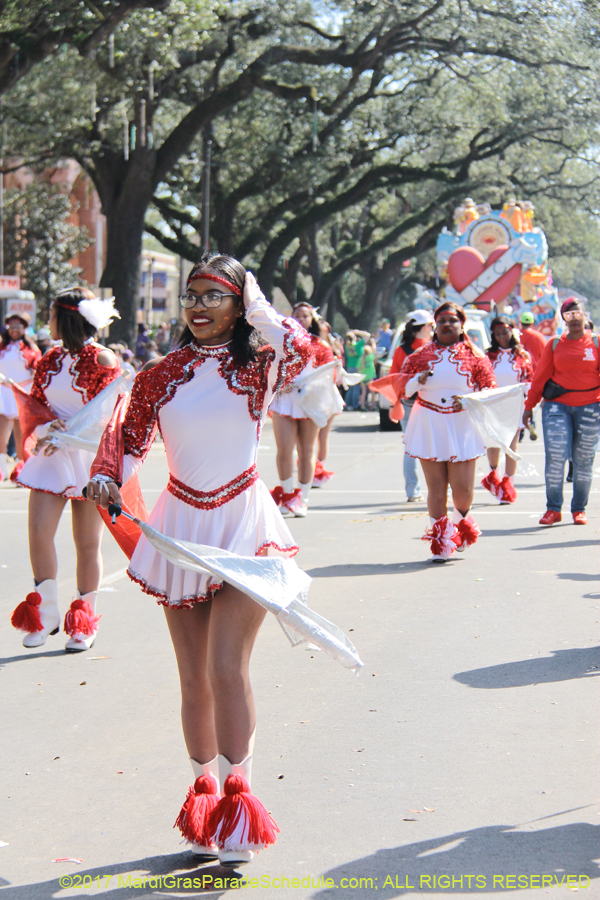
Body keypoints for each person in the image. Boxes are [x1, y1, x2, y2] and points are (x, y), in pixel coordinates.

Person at [86, 254, 312, 866]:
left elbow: (301, 348)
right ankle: (205, 796)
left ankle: (241, 799)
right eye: (192, 295)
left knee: (225, 670)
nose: (199, 306)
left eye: (215, 295)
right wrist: (108, 477)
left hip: (243, 527)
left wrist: (259, 304)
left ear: (240, 305)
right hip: (180, 529)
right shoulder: (163, 373)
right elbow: (126, 442)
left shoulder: (259, 364)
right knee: (192, 680)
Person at [9, 288, 120, 651]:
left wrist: (72, 433)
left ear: (66, 318)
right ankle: (48, 614)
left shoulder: (103, 360)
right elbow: (35, 406)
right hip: (50, 456)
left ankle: (84, 621)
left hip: (88, 460)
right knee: (39, 534)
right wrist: (45, 428)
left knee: (87, 543)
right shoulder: (48, 359)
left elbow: (110, 416)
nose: (48, 322)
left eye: (52, 315)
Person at [382, 301, 497, 562]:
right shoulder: (419, 356)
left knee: (463, 490)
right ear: (436, 325)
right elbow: (402, 391)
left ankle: (461, 525)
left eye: (453, 320)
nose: (447, 324)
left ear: (461, 325)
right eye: (442, 320)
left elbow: (490, 391)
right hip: (428, 423)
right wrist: (415, 381)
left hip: (462, 424)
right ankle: (441, 540)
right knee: (436, 488)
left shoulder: (476, 356)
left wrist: (469, 400)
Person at [523, 297, 600, 525]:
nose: (574, 319)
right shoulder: (555, 344)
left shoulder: (596, 343)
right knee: (555, 456)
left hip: (590, 406)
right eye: (569, 315)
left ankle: (579, 509)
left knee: (584, 460)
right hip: (557, 407)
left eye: (577, 313)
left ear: (585, 315)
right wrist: (529, 407)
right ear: (563, 319)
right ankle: (553, 508)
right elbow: (540, 378)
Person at [270, 301, 335, 517]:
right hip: (285, 400)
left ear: (312, 320)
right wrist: (280, 381)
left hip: (310, 402)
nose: (300, 318)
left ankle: (303, 498)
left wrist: (310, 386)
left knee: (307, 450)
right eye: (296, 315)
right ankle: (287, 495)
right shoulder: (279, 343)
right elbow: (268, 367)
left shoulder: (321, 345)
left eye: (305, 315)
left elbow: (330, 373)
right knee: (284, 449)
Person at [481, 316, 533, 503]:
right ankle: (493, 476)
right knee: (494, 443)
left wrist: (528, 399)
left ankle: (508, 483)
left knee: (512, 446)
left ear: (512, 331)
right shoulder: (487, 356)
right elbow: (482, 380)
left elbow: (529, 379)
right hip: (493, 405)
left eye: (505, 332)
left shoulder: (522, 355)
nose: (502, 336)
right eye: (498, 333)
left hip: (515, 405)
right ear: (493, 335)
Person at [389, 310, 434, 502]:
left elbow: (393, 378)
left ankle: (412, 491)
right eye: (431, 326)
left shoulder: (401, 350)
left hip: (407, 402)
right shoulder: (431, 349)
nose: (432, 330)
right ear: (424, 328)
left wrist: (396, 401)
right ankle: (440, 490)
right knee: (434, 447)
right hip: (429, 403)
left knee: (410, 448)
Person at [0, 312, 41, 481]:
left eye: (18, 326)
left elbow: (38, 369)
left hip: (21, 392)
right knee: (2, 432)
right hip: (3, 392)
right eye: (11, 326)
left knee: (21, 433)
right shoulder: (2, 347)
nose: (14, 330)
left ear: (24, 328)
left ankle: (21, 467)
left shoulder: (31, 349)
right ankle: (1, 467)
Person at [343, 330, 370, 409]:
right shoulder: (358, 345)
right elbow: (368, 335)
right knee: (356, 388)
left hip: (349, 367)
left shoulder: (346, 346)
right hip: (357, 367)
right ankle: (354, 405)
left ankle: (347, 404)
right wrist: (357, 332)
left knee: (350, 387)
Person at [358, 337, 377, 410]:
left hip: (363, 378)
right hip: (370, 377)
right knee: (372, 393)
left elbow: (359, 369)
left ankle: (362, 406)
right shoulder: (370, 357)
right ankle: (373, 406)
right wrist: (373, 343)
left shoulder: (361, 359)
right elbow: (375, 351)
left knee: (363, 393)